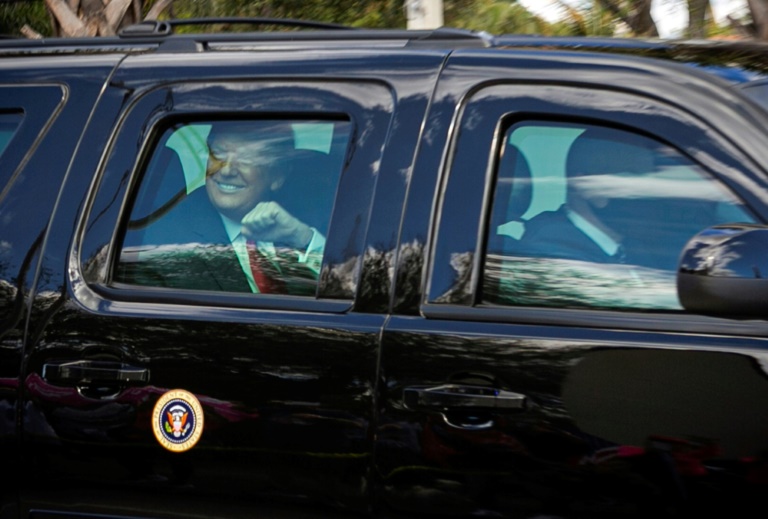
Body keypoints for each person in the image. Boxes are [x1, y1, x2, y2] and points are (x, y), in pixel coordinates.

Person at [118, 120, 324, 295]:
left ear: (277, 176)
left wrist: (302, 238)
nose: (226, 170)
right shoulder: (167, 240)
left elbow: (338, 287)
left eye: (246, 159)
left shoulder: (309, 218)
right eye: (218, 154)